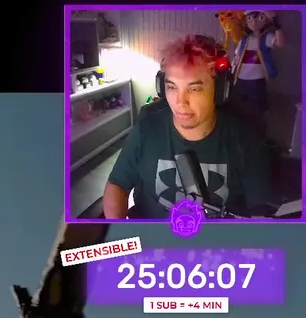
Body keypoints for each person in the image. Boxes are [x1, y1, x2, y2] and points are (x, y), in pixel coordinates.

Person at [103, 35, 270, 220]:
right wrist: (119, 229)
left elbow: (260, 214)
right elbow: (117, 185)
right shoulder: (147, 129)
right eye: (172, 87)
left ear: (220, 90)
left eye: (194, 88)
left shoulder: (245, 140)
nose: (180, 102)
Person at [232, 10, 285, 132]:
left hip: (256, 81)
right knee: (240, 108)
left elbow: (281, 43)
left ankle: (257, 132)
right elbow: (237, 56)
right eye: (250, 19)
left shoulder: (266, 38)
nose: (254, 22)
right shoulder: (244, 39)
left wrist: (276, 24)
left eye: (259, 18)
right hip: (240, 79)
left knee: (257, 110)